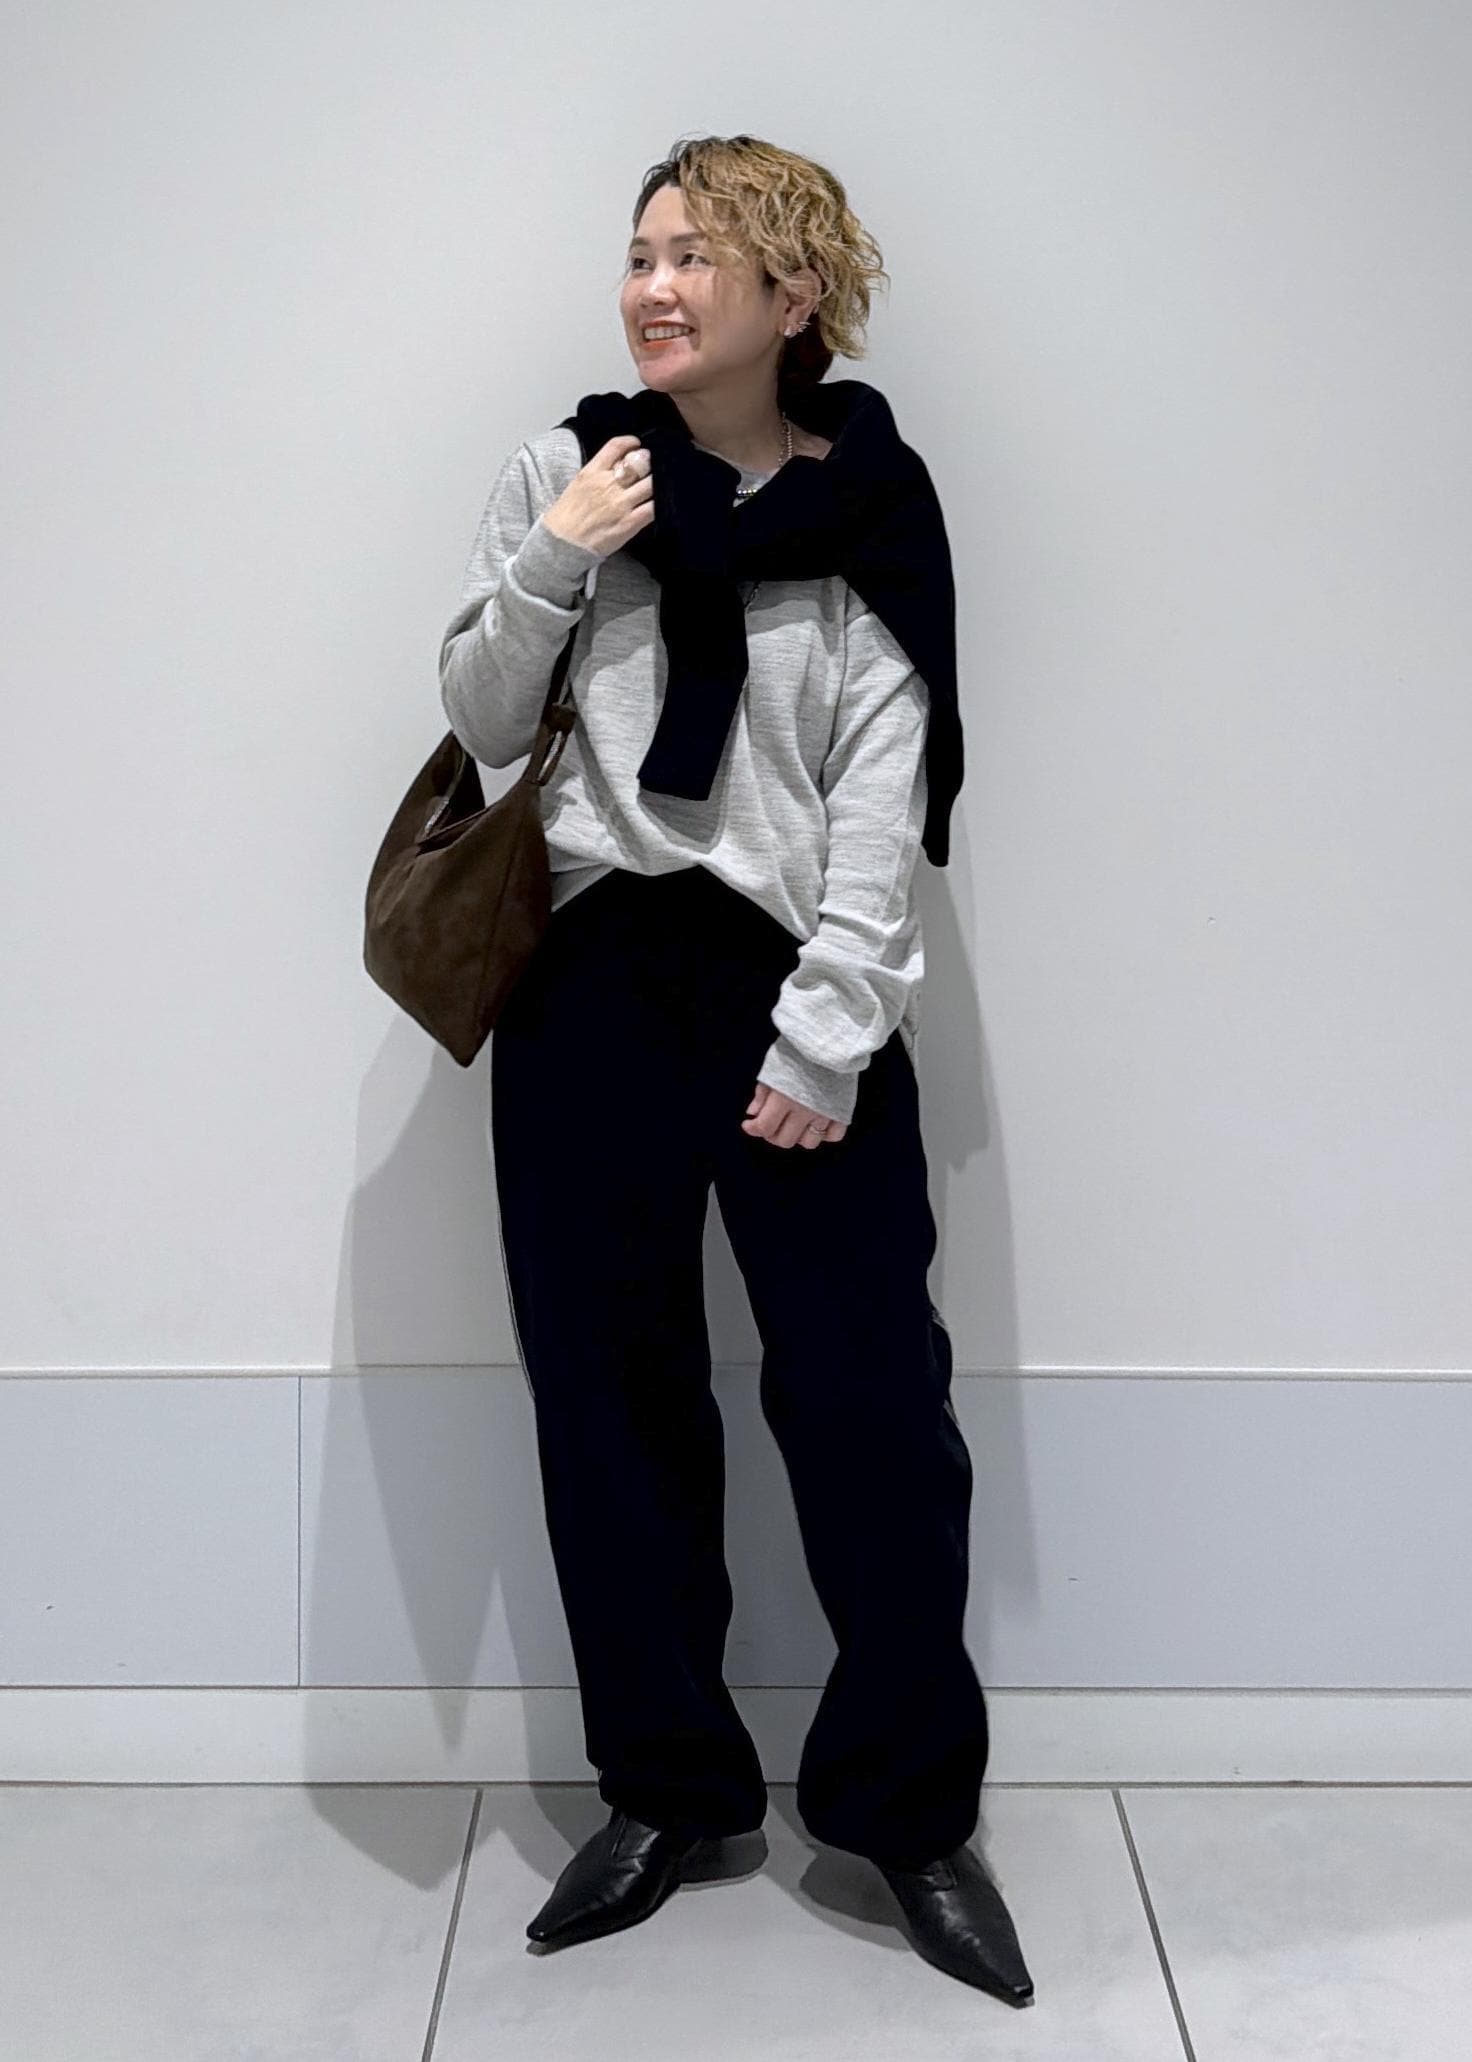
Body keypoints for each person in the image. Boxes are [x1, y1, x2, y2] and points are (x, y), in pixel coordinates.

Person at [438, 133, 1034, 2009]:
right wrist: (560, 554)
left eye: (698, 254)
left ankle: (907, 1814)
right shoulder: (572, 465)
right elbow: (476, 719)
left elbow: (881, 792)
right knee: (610, 1405)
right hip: (591, 982)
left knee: (873, 1413)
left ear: (795, 295)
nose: (654, 286)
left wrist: (828, 1035)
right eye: (640, 251)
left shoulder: (875, 506)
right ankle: (667, 1791)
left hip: (798, 980)